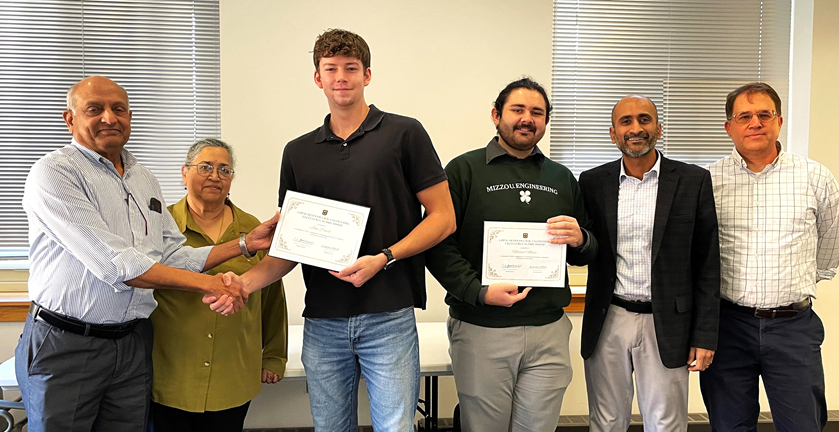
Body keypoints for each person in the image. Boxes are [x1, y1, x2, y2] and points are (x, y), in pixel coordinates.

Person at [213, 29, 455, 432]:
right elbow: (290, 245)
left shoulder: (404, 133)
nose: (341, 77)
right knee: (330, 427)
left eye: (351, 68)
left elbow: (443, 218)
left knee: (395, 427)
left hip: (388, 315)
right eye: (331, 69)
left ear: (367, 75)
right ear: (318, 78)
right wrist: (244, 283)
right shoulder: (298, 151)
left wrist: (384, 258)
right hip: (324, 319)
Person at [16, 76, 276, 432]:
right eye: (95, 109)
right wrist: (211, 285)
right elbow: (119, 263)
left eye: (118, 109)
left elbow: (170, 254)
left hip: (133, 344)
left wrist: (245, 244)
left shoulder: (144, 179)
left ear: (130, 116)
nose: (109, 117)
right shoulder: (55, 173)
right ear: (70, 118)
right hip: (68, 343)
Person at [424, 77, 597, 432]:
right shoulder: (463, 170)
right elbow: (437, 245)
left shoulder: (562, 177)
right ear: (496, 115)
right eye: (517, 109)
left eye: (537, 112)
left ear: (546, 121)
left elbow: (586, 250)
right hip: (481, 327)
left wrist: (581, 239)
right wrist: (479, 291)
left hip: (548, 329)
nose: (527, 119)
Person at [700, 83, 839, 432]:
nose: (755, 122)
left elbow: (831, 249)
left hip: (793, 327)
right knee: (729, 426)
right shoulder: (707, 180)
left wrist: (790, 288)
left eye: (764, 114)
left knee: (802, 425)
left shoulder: (816, 178)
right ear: (728, 127)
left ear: (779, 122)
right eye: (744, 116)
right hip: (728, 327)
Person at [577, 94, 721, 432]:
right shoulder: (592, 182)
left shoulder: (692, 181)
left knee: (666, 422)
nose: (636, 128)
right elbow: (585, 248)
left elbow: (707, 263)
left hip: (668, 322)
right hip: (608, 317)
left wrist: (705, 335)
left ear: (658, 128)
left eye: (644, 119)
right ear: (613, 133)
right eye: (626, 122)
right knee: (606, 420)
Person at [149, 138, 288, 431]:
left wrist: (274, 356)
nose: (215, 176)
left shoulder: (254, 229)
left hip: (233, 374)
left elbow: (272, 297)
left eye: (225, 169)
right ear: (184, 173)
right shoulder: (160, 225)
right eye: (205, 167)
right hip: (171, 373)